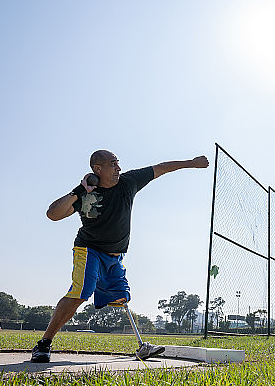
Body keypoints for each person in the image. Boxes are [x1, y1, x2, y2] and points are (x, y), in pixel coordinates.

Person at [31, 150, 209, 363]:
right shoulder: (85, 193)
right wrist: (80, 190)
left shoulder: (129, 181)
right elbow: (53, 214)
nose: (118, 168)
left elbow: (161, 167)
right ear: (97, 169)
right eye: (113, 164)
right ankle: (44, 344)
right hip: (89, 250)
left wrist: (192, 163)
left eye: (118, 163)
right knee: (81, 292)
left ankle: (142, 347)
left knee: (121, 297)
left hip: (115, 256)